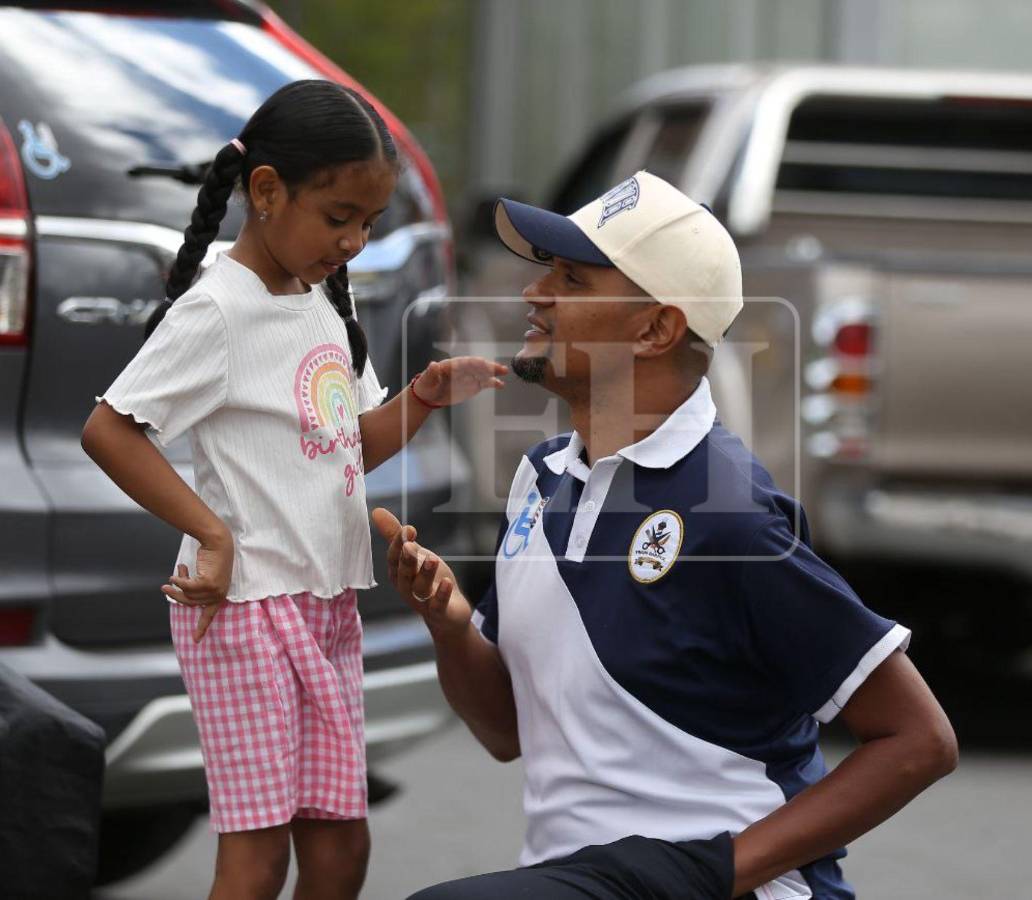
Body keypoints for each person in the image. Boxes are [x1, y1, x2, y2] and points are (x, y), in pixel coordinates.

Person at [372, 171, 958, 899]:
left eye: (573, 280)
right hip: (580, 882)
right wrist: (451, 621)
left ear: (654, 330)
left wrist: (717, 871)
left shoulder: (731, 514)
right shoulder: (542, 476)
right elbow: (506, 733)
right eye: (546, 273)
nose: (535, 295)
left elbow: (919, 740)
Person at [80, 80, 506, 900]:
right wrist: (213, 534)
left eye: (369, 224)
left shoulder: (323, 308)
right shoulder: (218, 311)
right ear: (267, 192)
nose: (354, 241)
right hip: (245, 608)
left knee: (342, 848)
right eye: (338, 216)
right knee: (259, 856)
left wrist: (420, 398)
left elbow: (346, 446)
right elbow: (110, 428)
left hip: (323, 602)